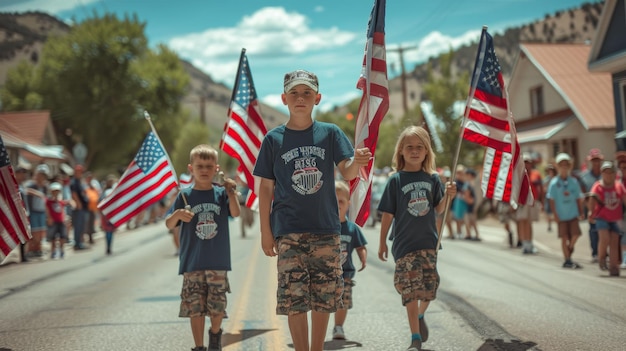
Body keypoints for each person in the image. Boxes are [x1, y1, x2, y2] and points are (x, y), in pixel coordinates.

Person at [253, 69, 371, 351]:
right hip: (288, 231)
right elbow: (265, 189)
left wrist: (358, 161)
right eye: (294, 93)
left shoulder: (330, 133)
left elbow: (347, 171)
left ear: (317, 98)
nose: (300, 98)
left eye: (307, 93)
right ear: (284, 98)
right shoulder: (273, 140)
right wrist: (265, 233)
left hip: (326, 230)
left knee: (324, 297)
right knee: (294, 299)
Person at [377, 126, 456, 351]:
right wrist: (382, 241)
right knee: (410, 290)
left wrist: (448, 196)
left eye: (419, 147)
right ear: (401, 151)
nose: (414, 151)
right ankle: (415, 338)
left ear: (426, 151)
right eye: (409, 147)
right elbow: (387, 214)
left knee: (429, 289)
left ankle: (420, 316)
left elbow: (438, 209)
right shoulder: (395, 180)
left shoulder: (433, 179)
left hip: (429, 243)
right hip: (404, 245)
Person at [165, 144, 240, 351]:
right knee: (195, 309)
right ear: (191, 168)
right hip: (192, 262)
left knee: (217, 307)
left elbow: (235, 213)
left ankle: (215, 334)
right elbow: (169, 224)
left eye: (209, 165)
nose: (204, 170)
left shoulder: (221, 194)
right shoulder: (184, 196)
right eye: (200, 166)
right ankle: (199, 347)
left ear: (216, 168)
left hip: (218, 261)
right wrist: (177, 215)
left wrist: (231, 192)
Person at [330, 181, 367, 341]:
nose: (337, 205)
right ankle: (320, 326)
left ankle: (338, 326)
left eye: (341, 201)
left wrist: (363, 258)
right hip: (326, 273)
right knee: (325, 302)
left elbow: (360, 246)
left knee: (343, 302)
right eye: (334, 201)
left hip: (345, 274)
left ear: (348, 204)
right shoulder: (325, 226)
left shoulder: (352, 228)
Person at [588, 161, 626, 277]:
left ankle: (614, 267)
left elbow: (624, 198)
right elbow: (592, 198)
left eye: (610, 172)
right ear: (602, 173)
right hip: (602, 217)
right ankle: (601, 257)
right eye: (606, 172)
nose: (608, 175)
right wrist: (590, 212)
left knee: (614, 242)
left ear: (614, 174)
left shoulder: (618, 186)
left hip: (616, 218)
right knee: (604, 238)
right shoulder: (598, 186)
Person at [547, 153, 584, 269]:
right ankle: (567, 259)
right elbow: (551, 200)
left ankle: (570, 248)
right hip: (561, 215)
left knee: (576, 234)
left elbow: (578, 198)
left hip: (572, 213)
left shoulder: (573, 181)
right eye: (561, 165)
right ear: (557, 167)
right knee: (564, 237)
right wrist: (555, 214)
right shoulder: (553, 183)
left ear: (569, 166)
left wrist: (581, 211)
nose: (564, 167)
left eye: (566, 165)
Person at [580, 148, 604, 263]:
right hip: (592, 208)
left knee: (605, 230)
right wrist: (588, 207)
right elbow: (583, 193)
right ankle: (595, 253)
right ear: (590, 161)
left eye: (598, 160)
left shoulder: (605, 174)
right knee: (593, 231)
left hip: (605, 208)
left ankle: (604, 253)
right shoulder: (585, 176)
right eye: (594, 160)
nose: (596, 162)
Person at [517, 153, 540, 254]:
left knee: (529, 222)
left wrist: (541, 201)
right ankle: (524, 243)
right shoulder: (519, 175)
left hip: (532, 202)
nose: (526, 165)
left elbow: (540, 188)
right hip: (522, 202)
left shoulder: (535, 174)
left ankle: (529, 243)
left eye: (528, 163)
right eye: (524, 162)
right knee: (523, 222)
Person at [25, 164, 50, 258]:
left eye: (44, 175)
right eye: (40, 174)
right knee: (34, 232)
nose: (42, 177)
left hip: (42, 212)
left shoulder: (45, 187)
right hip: (33, 211)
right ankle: (30, 250)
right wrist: (37, 193)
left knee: (41, 231)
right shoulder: (31, 184)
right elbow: (26, 190)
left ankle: (38, 249)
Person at [46, 182, 72, 259]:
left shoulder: (61, 201)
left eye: (57, 191)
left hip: (61, 221)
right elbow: (47, 210)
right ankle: (53, 252)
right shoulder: (49, 201)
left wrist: (65, 218)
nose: (56, 193)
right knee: (53, 238)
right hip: (53, 221)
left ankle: (61, 251)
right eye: (54, 191)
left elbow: (63, 209)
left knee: (62, 237)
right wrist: (49, 218)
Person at [70, 164, 89, 250]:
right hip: (79, 207)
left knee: (82, 226)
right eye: (78, 171)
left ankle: (80, 242)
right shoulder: (74, 182)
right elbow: (73, 194)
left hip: (83, 207)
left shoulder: (80, 181)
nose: (79, 173)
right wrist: (79, 204)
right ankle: (77, 243)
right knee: (78, 226)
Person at [100, 175, 117, 255]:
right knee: (108, 231)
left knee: (111, 231)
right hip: (106, 213)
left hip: (112, 213)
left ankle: (110, 246)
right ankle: (108, 247)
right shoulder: (104, 192)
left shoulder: (113, 190)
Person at [462, 168, 480, 241]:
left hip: (469, 204)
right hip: (469, 204)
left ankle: (472, 234)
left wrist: (469, 200)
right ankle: (470, 234)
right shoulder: (470, 184)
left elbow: (467, 194)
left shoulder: (469, 184)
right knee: (470, 220)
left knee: (471, 220)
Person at [543, 164, 557, 232]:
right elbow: (544, 188)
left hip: (556, 197)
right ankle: (549, 224)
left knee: (556, 211)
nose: (550, 172)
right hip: (548, 197)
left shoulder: (556, 179)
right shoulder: (546, 179)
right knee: (548, 212)